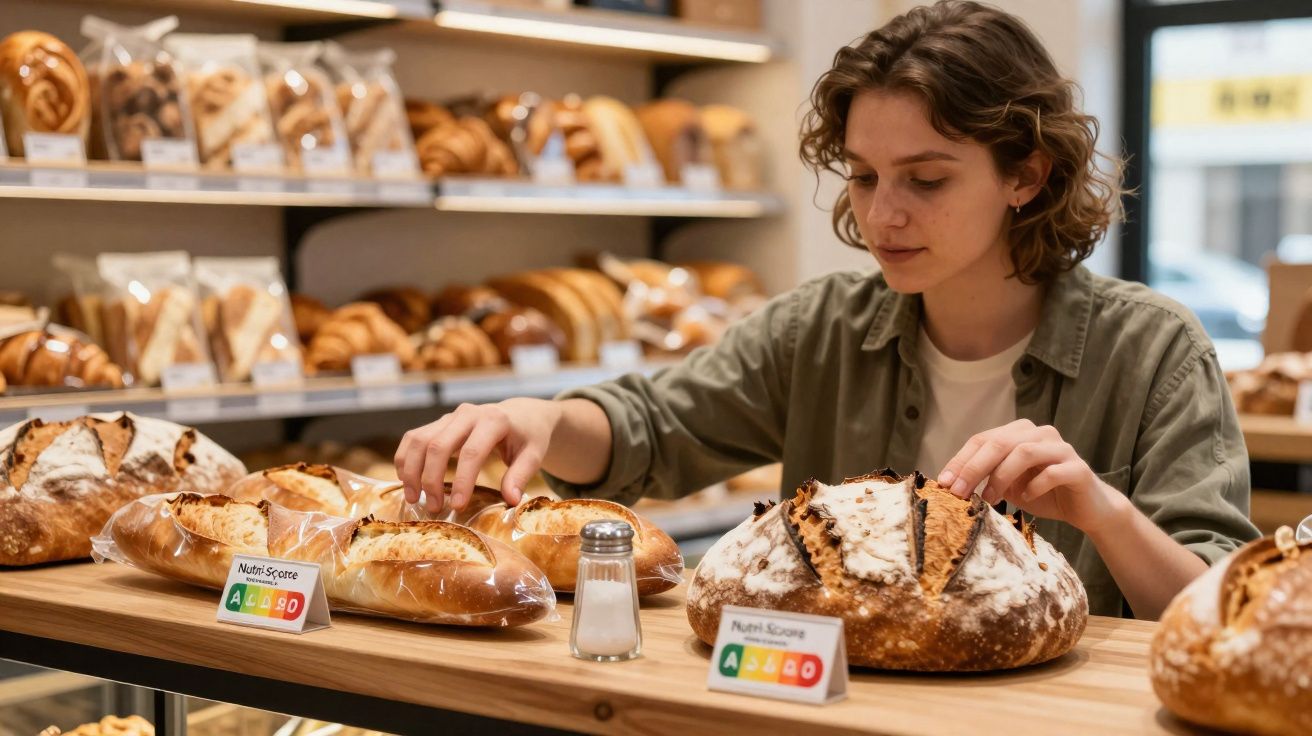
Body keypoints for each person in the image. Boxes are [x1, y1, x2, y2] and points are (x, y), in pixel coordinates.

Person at [394, 0, 1258, 620]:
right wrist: (537, 417)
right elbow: (651, 430)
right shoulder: (821, 328)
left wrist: (1103, 513)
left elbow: (1219, 609)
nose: (884, 215)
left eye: (927, 179)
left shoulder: (1154, 351)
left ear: (1026, 175)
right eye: (864, 175)